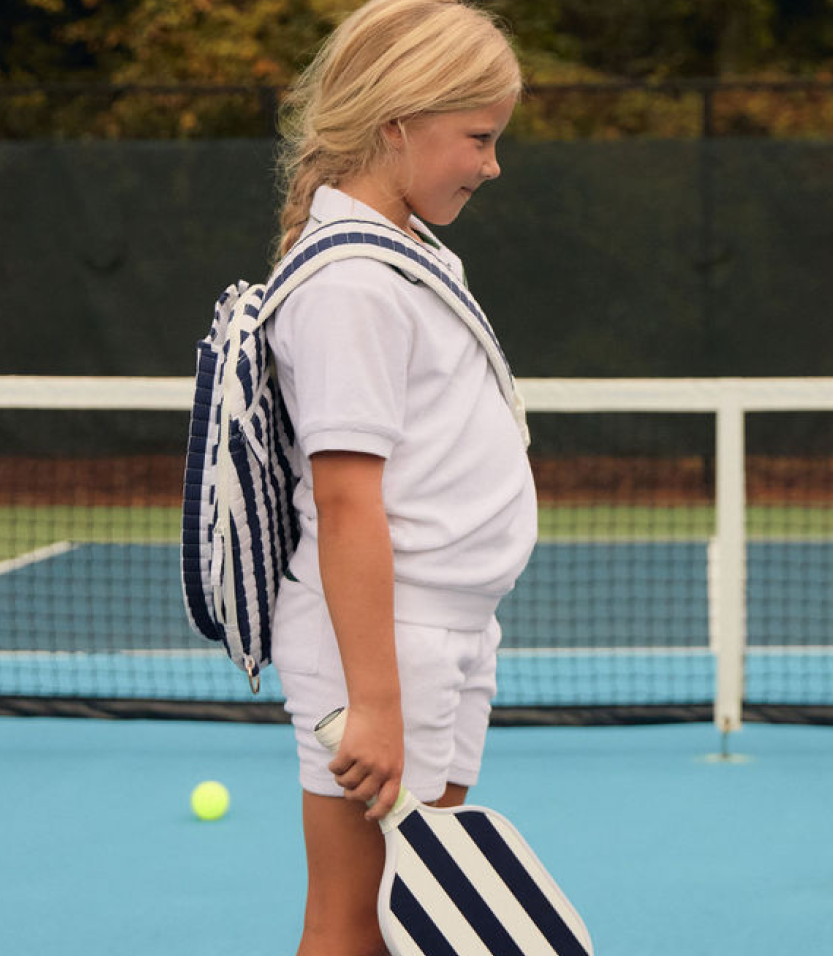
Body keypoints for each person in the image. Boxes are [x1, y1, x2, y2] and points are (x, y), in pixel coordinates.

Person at [266, 2, 534, 953]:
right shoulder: (350, 285)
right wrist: (374, 702)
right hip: (385, 645)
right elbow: (345, 504)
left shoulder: (409, 255)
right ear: (395, 122)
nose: (491, 164)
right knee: (355, 922)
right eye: (478, 137)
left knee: (417, 916)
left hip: (444, 630)